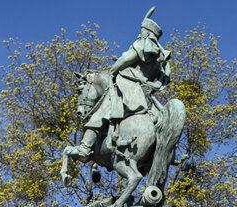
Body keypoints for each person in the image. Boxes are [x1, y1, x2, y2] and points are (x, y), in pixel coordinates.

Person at [68, 7, 171, 159]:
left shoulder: (142, 45)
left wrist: (112, 71)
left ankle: (85, 147)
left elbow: (125, 59)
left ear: (146, 32)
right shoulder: (160, 59)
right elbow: (160, 80)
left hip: (128, 86)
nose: (139, 33)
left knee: (103, 111)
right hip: (145, 93)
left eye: (142, 30)